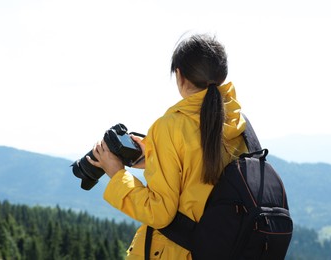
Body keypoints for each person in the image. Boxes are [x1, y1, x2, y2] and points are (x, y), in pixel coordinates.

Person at [87, 33, 249, 259]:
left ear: (180, 75)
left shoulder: (171, 126)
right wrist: (155, 157)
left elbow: (159, 213)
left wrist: (116, 174)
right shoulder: (237, 123)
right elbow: (203, 179)